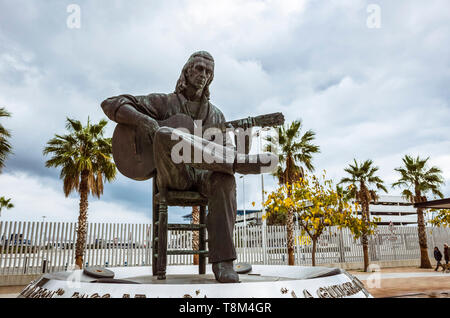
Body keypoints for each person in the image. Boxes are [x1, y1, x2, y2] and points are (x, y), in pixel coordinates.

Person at [101, 51, 277, 283]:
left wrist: (245, 137)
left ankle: (224, 263)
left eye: (209, 72)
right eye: (200, 69)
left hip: (204, 177)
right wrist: (142, 120)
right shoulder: (164, 103)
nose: (204, 75)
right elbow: (110, 103)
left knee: (225, 178)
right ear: (187, 71)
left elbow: (227, 156)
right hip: (175, 175)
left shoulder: (216, 115)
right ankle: (241, 165)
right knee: (165, 134)